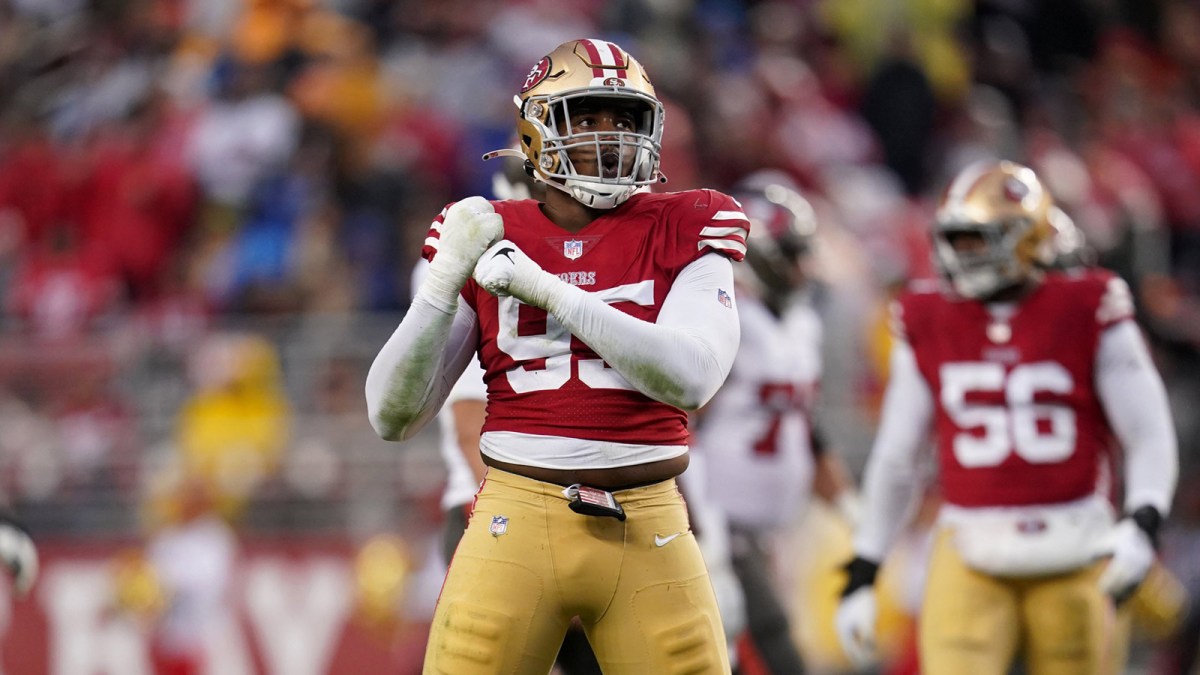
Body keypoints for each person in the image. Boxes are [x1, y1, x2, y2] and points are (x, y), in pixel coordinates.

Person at [366, 38, 748, 674]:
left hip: (648, 516)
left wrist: (548, 291)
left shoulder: (690, 221)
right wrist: (441, 282)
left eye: (625, 119)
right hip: (516, 515)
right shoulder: (488, 228)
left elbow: (692, 376)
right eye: (588, 116)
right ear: (536, 128)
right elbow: (390, 416)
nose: (610, 136)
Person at [833, 160, 1179, 675]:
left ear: (1025, 237)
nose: (960, 254)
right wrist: (864, 568)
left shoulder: (1087, 303)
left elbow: (1147, 430)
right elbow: (898, 455)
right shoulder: (926, 316)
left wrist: (1142, 520)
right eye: (956, 239)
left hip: (1076, 538)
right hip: (972, 539)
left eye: (976, 239)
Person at [691, 174, 858, 674]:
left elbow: (804, 427)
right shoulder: (726, 316)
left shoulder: (801, 323)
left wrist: (854, 512)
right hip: (716, 521)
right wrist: (707, 532)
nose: (806, 267)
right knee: (771, 641)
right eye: (794, 253)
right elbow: (681, 427)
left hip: (768, 530)